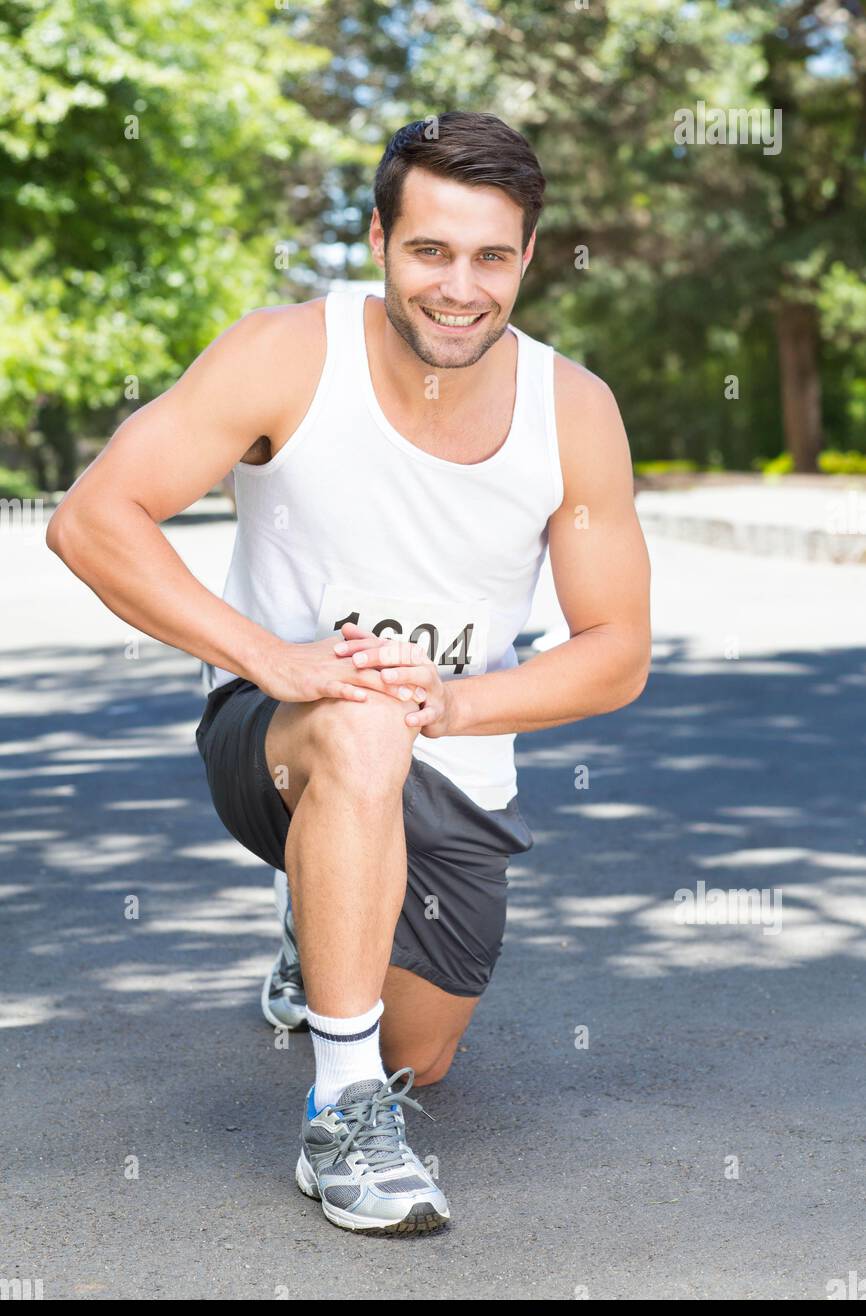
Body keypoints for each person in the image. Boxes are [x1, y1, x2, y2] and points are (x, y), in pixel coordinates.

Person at [46, 111, 651, 1237]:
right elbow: (92, 520)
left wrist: (454, 701)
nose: (456, 287)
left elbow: (614, 650)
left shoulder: (574, 411)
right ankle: (339, 1113)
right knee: (362, 726)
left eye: (488, 257)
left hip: (455, 759)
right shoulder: (285, 352)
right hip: (276, 730)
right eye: (428, 250)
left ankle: (317, 923)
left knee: (425, 1051)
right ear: (378, 239)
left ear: (527, 257)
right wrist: (273, 659)